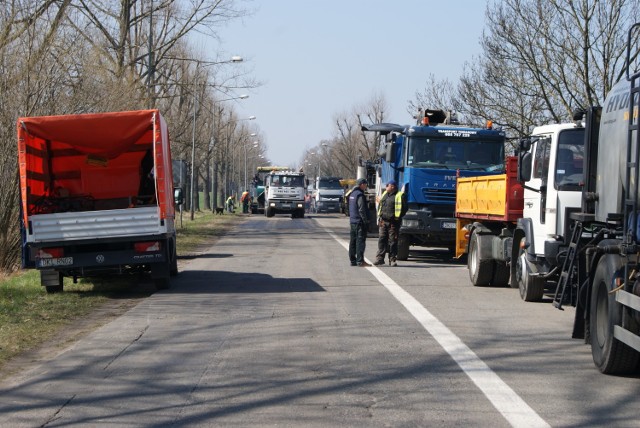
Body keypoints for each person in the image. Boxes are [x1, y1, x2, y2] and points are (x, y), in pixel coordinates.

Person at [374, 180, 408, 267]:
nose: (386, 187)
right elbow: (381, 205)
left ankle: (392, 259)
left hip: (393, 223)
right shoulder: (385, 194)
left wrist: (397, 217)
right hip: (383, 221)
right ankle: (380, 259)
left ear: (392, 186)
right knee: (382, 239)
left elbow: (405, 208)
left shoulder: (400, 195)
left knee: (393, 241)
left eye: (387, 185)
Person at [348, 178, 371, 267]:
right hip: (359, 222)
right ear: (361, 184)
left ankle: (352, 260)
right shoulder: (360, 195)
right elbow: (361, 209)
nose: (366, 186)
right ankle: (360, 261)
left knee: (353, 241)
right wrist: (365, 221)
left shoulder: (352, 194)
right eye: (365, 184)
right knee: (360, 241)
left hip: (353, 221)